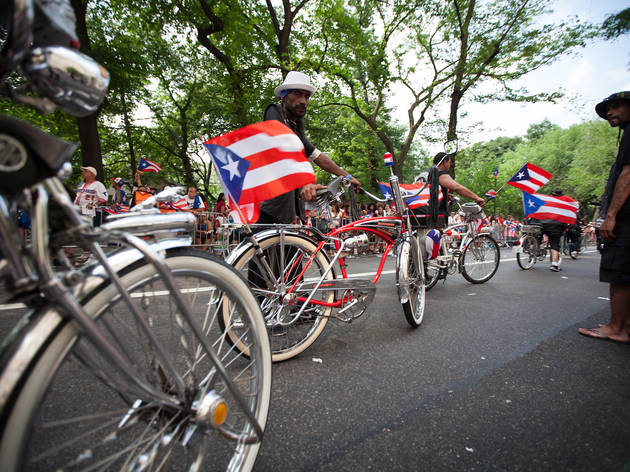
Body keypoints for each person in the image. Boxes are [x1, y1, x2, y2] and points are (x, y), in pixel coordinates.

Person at [261, 71, 360, 224]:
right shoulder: (274, 112)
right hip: (268, 209)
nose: (303, 101)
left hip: (290, 210)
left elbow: (317, 156)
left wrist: (347, 176)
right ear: (284, 96)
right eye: (297, 94)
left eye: (307, 96)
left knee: (297, 246)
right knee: (264, 247)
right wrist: (304, 183)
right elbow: (281, 149)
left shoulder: (297, 126)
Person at [579, 91, 630, 344]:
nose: (610, 112)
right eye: (607, 107)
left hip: (625, 219)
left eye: (617, 106)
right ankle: (622, 324)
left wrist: (611, 215)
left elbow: (628, 174)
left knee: (619, 271)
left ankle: (616, 327)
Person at [538, 188, 569, 272]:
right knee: (554, 244)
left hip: (543, 224)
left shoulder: (548, 201)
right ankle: (554, 264)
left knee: (538, 237)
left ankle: (533, 250)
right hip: (556, 226)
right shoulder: (564, 204)